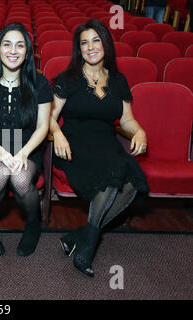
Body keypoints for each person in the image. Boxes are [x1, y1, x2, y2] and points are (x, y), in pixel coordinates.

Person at [50, 19, 149, 277]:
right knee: (110, 177)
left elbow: (126, 120)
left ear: (106, 44)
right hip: (74, 144)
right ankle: (86, 251)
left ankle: (81, 236)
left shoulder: (118, 80)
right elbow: (47, 117)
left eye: (96, 40)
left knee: (132, 183)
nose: (90, 47)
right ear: (78, 49)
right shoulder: (67, 79)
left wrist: (138, 130)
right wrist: (57, 133)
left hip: (107, 142)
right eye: (84, 43)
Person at [0, 23, 53, 257]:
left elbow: (42, 127)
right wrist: (3, 154)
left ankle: (33, 223)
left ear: (27, 51)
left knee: (19, 177)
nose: (13, 50)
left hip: (28, 147)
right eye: (7, 45)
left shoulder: (40, 84)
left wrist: (23, 153)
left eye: (20, 45)